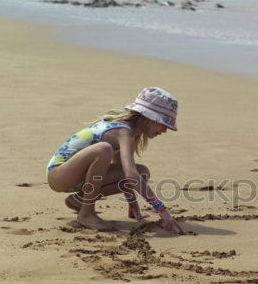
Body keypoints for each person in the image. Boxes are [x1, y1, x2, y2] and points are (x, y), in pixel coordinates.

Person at [46, 87, 184, 233]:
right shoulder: (124, 132)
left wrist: (133, 205)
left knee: (142, 172)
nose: (165, 130)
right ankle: (86, 213)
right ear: (150, 118)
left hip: (76, 177)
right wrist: (162, 211)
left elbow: (122, 169)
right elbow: (131, 175)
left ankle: (80, 200)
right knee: (104, 150)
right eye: (164, 123)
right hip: (59, 175)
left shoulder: (129, 133)